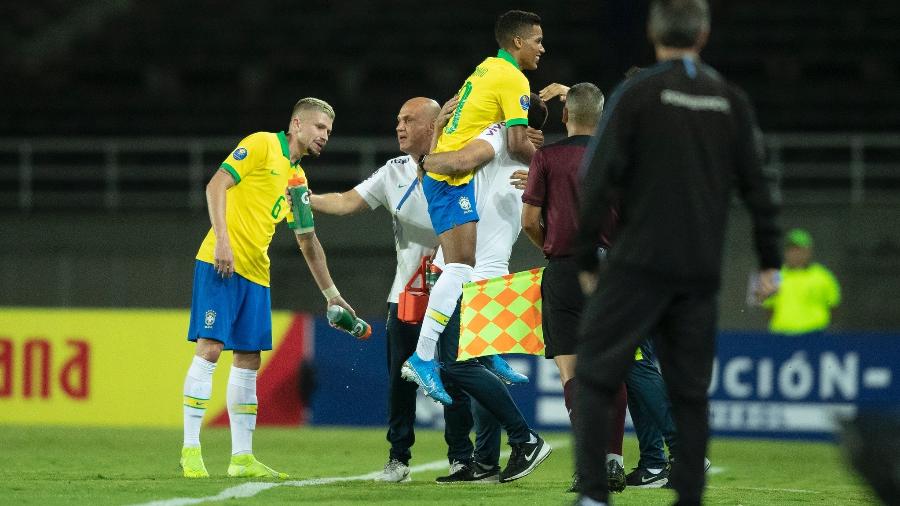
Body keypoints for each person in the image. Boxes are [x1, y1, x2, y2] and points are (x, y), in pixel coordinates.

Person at [571, 1, 782, 505]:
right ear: (704, 34)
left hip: (637, 264)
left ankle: (594, 495)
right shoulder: (727, 98)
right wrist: (770, 259)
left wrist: (583, 259)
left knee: (597, 373)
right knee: (689, 390)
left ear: (652, 31)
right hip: (698, 269)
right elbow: (758, 186)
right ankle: (689, 496)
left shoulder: (636, 94)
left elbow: (596, 177)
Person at [308, 97, 521, 483]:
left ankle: (461, 457)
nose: (399, 127)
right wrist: (308, 200)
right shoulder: (394, 172)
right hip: (404, 297)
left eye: (408, 120)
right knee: (400, 381)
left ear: (431, 126)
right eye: (397, 120)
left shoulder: (461, 164)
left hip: (454, 293)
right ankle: (398, 459)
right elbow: (347, 201)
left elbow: (507, 149)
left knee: (455, 376)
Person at [180, 98, 355, 479]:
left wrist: (332, 295)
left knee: (248, 360)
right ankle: (191, 449)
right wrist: (222, 240)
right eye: (320, 128)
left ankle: (241, 457)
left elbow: (307, 240)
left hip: (257, 274)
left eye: (329, 131)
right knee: (210, 348)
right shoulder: (261, 145)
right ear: (296, 124)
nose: (325, 136)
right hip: (219, 262)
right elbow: (216, 185)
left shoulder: (299, 180)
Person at [402, 10, 545, 405]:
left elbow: (497, 127)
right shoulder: (513, 78)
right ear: (517, 42)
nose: (542, 48)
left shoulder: (486, 70)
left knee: (473, 267)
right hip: (449, 177)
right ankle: (423, 355)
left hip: (450, 177)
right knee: (463, 266)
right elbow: (517, 144)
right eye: (537, 40)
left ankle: (480, 348)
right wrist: (550, 164)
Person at [423, 93, 553, 483]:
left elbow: (444, 171)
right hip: (485, 272)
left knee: (455, 365)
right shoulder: (526, 156)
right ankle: (485, 460)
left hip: (473, 274)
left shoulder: (497, 136)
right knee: (475, 366)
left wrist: (437, 136)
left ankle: (525, 438)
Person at [521, 82, 630, 493]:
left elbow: (529, 222)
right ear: (601, 118)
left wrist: (551, 246)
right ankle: (614, 461)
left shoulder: (547, 157)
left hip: (565, 270)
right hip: (612, 273)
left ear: (565, 116)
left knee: (571, 373)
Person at [763, 228, 841, 335]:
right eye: (792, 250)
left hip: (815, 335)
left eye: (800, 250)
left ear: (809, 251)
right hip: (781, 335)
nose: (796, 254)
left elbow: (833, 307)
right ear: (786, 252)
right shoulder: (775, 276)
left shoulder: (823, 276)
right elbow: (769, 308)